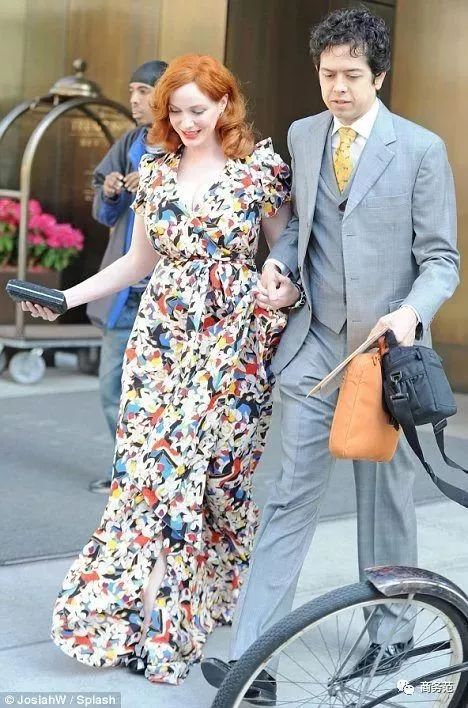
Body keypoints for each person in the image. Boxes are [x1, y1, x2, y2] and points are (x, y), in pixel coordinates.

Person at [202, 7, 459, 705]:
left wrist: (410, 312)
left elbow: (442, 260)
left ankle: (392, 633)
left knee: (385, 498)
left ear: (380, 76)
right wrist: (279, 266)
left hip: (385, 358)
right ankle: (254, 658)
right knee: (288, 497)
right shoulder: (304, 133)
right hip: (314, 348)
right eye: (327, 75)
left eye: (351, 75)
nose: (337, 88)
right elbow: (303, 232)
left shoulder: (421, 150)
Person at [21, 54, 296, 684]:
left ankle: (207, 598)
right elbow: (137, 261)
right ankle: (154, 623)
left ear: (224, 104)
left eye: (198, 109)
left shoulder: (259, 169)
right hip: (161, 342)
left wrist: (280, 278)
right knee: (151, 479)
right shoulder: (155, 169)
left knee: (214, 483)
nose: (187, 121)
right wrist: (67, 298)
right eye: (176, 111)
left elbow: (287, 240)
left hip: (232, 343)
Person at [87, 60, 167, 494]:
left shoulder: (188, 145)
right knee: (111, 385)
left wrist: (157, 182)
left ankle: (156, 473)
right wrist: (111, 191)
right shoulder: (129, 143)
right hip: (124, 291)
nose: (134, 100)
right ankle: (125, 472)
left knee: (160, 389)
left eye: (143, 90)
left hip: (168, 294)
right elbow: (104, 214)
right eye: (132, 90)